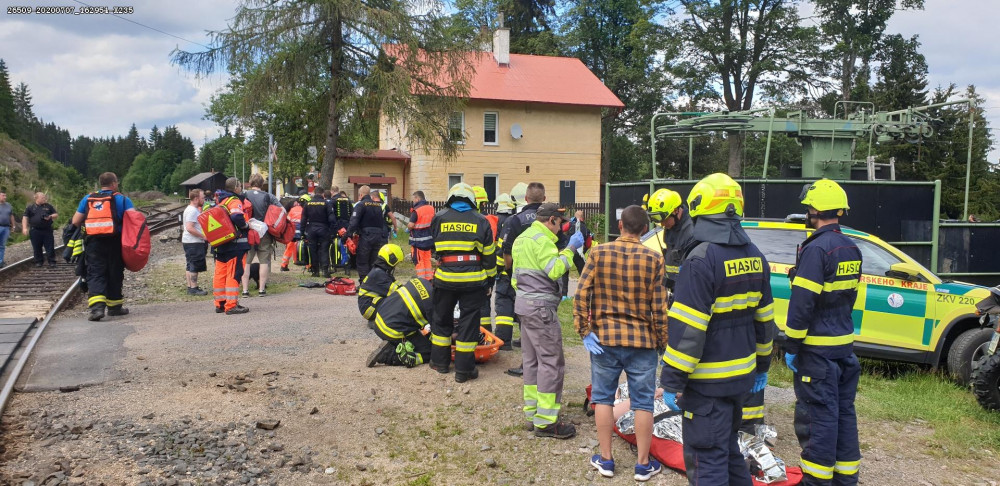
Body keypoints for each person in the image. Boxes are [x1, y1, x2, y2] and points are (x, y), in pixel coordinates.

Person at [658, 173, 776, 485]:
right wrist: (761, 367)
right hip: (742, 379)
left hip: (706, 384)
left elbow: (689, 330)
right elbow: (765, 323)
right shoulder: (756, 257)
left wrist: (671, 380)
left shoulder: (701, 259)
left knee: (706, 456)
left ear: (700, 210)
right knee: (729, 450)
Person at [575, 205, 666, 481]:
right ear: (644, 230)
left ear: (621, 225)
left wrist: (584, 330)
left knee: (602, 398)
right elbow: (659, 308)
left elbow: (580, 293)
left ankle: (606, 460)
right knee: (643, 403)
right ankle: (642, 464)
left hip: (605, 340)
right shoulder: (654, 259)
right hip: (642, 342)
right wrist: (663, 341)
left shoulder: (598, 252)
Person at [785, 179, 862, 486]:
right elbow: (842, 294)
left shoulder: (816, 249)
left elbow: (803, 303)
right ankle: (846, 478)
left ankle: (816, 481)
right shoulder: (850, 247)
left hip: (816, 350)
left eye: (808, 208)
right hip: (843, 346)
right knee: (844, 413)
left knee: (818, 416)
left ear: (815, 210)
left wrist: (792, 343)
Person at [512, 202, 585, 439]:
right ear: (551, 220)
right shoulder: (542, 241)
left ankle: (533, 414)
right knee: (551, 362)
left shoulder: (522, 238)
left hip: (524, 306)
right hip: (541, 310)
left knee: (531, 361)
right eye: (560, 222)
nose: (561, 227)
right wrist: (571, 249)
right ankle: (546, 422)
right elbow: (554, 270)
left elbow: (515, 279)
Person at [428, 183, 496, 383]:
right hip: (473, 281)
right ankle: (463, 371)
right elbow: (489, 256)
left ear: (451, 198)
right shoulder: (481, 220)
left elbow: (434, 247)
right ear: (472, 200)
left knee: (441, 318)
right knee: (468, 323)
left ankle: (439, 363)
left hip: (445, 278)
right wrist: (489, 279)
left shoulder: (439, 218)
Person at [70, 173, 134, 321]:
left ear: (101, 184)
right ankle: (115, 307)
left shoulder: (87, 199)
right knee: (115, 272)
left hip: (93, 242)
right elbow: (134, 221)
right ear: (113, 183)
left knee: (95, 273)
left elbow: (75, 221)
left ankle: (97, 309)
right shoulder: (123, 199)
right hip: (116, 241)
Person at [495, 182, 544, 357]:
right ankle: (527, 341)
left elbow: (504, 249)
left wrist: (504, 272)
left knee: (504, 301)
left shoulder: (514, 220)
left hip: (515, 272)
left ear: (524, 198)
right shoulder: (549, 219)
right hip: (541, 274)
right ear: (544, 198)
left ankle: (503, 340)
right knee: (530, 308)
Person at [367, 277, 435, 368]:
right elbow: (439, 332)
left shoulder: (418, 280)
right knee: (431, 351)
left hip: (379, 318)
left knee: (419, 332)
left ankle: (396, 345)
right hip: (391, 330)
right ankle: (389, 356)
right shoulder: (432, 303)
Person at [642, 188, 695, 291]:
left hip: (687, 288)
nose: (662, 224)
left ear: (676, 211)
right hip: (674, 287)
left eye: (664, 219)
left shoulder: (691, 232)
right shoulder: (671, 226)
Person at [211, 177, 251, 315]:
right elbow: (236, 217)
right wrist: (246, 225)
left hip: (221, 243)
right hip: (235, 244)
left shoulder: (220, 201)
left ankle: (220, 303)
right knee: (234, 273)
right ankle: (231, 305)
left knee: (220, 273)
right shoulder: (234, 200)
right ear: (236, 188)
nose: (241, 188)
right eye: (240, 186)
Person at [242, 174, 282, 295]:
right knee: (264, 261)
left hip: (248, 231)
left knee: (246, 261)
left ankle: (245, 290)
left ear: (250, 183)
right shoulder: (269, 196)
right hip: (264, 232)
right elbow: (281, 210)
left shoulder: (244, 195)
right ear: (262, 183)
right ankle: (261, 289)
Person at [345, 185, 390, 280]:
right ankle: (372, 282)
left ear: (360, 195)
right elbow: (382, 222)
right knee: (373, 261)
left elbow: (353, 222)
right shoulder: (378, 205)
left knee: (362, 260)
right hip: (379, 237)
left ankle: (364, 284)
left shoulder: (360, 205)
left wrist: (347, 235)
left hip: (366, 236)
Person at [357, 243, 403, 323]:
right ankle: (380, 322)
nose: (396, 266)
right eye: (397, 263)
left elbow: (397, 285)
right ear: (392, 259)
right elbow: (398, 292)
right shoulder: (379, 274)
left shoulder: (381, 271)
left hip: (370, 305)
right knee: (396, 300)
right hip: (369, 308)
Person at [474, 185, 498, 332]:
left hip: (471, 267)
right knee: (484, 302)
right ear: (484, 203)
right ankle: (486, 333)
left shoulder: (468, 220)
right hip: (486, 267)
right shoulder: (491, 220)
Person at [301, 185, 334, 278]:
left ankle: (315, 271)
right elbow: (332, 219)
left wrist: (302, 232)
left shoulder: (308, 204)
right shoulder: (326, 204)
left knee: (313, 250)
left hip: (311, 229)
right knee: (324, 249)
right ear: (323, 194)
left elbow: (303, 219)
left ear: (314, 193)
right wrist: (332, 231)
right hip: (324, 229)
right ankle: (325, 270)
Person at [182, 189, 209, 295]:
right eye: (202, 198)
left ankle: (190, 287)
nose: (204, 200)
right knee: (194, 264)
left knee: (190, 264)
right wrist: (203, 236)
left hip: (190, 241)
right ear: (196, 199)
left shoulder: (193, 209)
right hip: (193, 242)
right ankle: (194, 288)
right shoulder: (192, 211)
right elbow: (189, 227)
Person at [23, 192, 59, 267]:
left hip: (47, 230)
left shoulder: (48, 206)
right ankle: (38, 261)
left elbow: (56, 214)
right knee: (36, 247)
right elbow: (25, 217)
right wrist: (24, 228)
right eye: (42, 197)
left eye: (44, 197)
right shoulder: (30, 207)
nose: (44, 199)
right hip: (35, 230)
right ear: (37, 198)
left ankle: (52, 261)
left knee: (49, 246)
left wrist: (50, 216)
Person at [408, 190, 435, 281]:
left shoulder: (416, 210)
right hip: (429, 240)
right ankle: (429, 279)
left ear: (417, 198)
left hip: (418, 241)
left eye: (414, 199)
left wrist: (408, 228)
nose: (413, 201)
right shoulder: (431, 208)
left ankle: (421, 280)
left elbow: (411, 225)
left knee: (419, 261)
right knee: (427, 260)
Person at [329, 186, 353, 271]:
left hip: (337, 226)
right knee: (347, 244)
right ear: (338, 191)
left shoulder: (332, 201)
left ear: (332, 191)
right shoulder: (347, 200)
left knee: (335, 244)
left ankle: (335, 264)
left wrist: (334, 228)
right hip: (347, 225)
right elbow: (352, 213)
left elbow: (331, 216)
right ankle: (347, 265)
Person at [280, 198, 304, 271]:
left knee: (289, 248)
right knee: (305, 247)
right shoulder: (304, 209)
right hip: (301, 232)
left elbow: (287, 221)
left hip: (292, 233)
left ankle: (284, 265)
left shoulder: (292, 210)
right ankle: (308, 266)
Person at [567, 210, 592, 274]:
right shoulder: (586, 229)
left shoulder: (570, 224)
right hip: (579, 253)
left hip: (568, 250)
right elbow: (588, 244)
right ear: (582, 218)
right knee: (583, 272)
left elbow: (561, 230)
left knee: (564, 272)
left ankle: (564, 284)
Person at [0, 191, 15, 268]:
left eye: (5, 196)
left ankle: (1, 261)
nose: (5, 197)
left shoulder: (8, 205)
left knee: (2, 245)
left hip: (6, 227)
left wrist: (13, 226)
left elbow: (11, 215)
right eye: (3, 196)